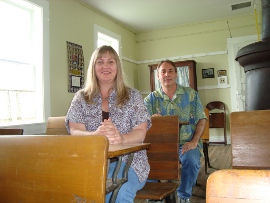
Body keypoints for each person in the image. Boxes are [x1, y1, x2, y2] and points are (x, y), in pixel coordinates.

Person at [65, 45, 151, 203]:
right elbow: (75, 130)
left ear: (117, 66)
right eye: (100, 61)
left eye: (110, 61)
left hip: (130, 162)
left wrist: (122, 138)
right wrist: (94, 136)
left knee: (119, 193)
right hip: (92, 162)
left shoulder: (134, 96)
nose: (105, 66)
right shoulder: (81, 97)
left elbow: (140, 131)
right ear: (93, 67)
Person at [144, 60, 206, 203]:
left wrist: (194, 142)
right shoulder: (150, 99)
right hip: (159, 146)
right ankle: (154, 196)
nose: (167, 74)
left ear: (176, 74)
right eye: (163, 72)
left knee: (192, 158)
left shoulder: (191, 94)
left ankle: (184, 195)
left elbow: (202, 119)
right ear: (158, 76)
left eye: (170, 71)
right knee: (143, 159)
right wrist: (151, 120)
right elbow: (140, 124)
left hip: (186, 143)